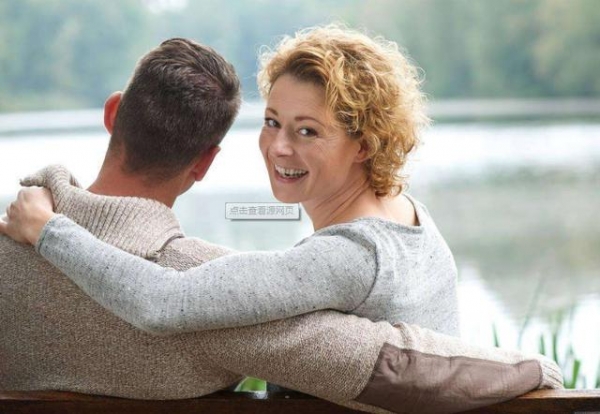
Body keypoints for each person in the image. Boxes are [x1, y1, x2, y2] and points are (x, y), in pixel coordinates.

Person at [0, 33, 563, 413]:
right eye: (272, 122)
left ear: (365, 145)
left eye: (307, 130)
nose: (279, 147)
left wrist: (49, 230)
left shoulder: (346, 256)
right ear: (205, 162)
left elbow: (164, 303)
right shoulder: (405, 215)